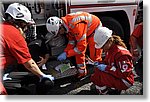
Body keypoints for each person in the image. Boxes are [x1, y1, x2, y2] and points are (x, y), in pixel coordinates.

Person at [0, 3, 54, 95]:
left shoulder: (3, 27)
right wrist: (42, 75)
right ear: (19, 22)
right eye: (25, 25)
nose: (26, 28)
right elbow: (29, 64)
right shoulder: (14, 34)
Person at [49, 12, 103, 78]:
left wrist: (67, 54)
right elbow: (71, 42)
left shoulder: (75, 25)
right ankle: (82, 72)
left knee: (94, 57)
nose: (60, 34)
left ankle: (100, 74)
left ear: (61, 26)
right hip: (86, 31)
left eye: (59, 32)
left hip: (94, 30)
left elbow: (81, 48)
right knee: (77, 52)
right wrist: (66, 51)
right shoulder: (68, 25)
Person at [91, 27, 134, 95]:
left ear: (109, 41)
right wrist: (100, 63)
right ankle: (112, 87)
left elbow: (124, 74)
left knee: (98, 76)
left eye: (102, 46)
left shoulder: (122, 54)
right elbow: (109, 62)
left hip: (125, 81)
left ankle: (104, 93)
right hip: (119, 76)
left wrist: (106, 68)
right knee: (97, 72)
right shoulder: (110, 49)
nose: (102, 48)